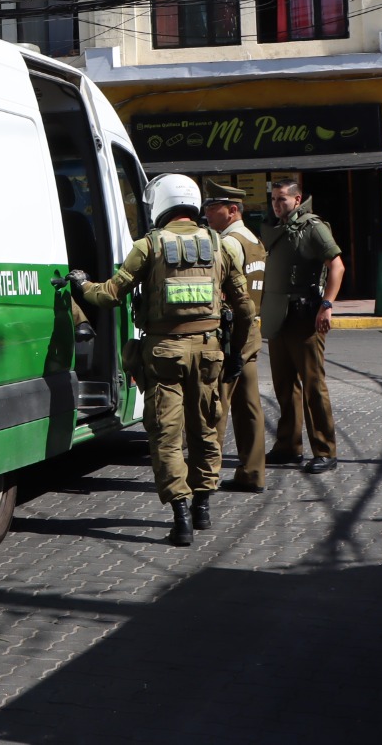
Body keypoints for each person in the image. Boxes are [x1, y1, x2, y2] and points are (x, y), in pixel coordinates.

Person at [70, 174, 254, 546]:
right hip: (209, 353)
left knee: (167, 436)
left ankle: (181, 517)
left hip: (164, 353)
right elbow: (246, 309)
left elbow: (108, 296)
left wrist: (80, 284)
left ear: (160, 205)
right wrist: (237, 355)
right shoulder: (220, 245)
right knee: (206, 430)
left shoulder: (148, 246)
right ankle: (203, 506)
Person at [261, 178, 345, 475]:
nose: (277, 204)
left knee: (312, 386)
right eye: (273, 199)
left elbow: (336, 265)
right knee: (284, 386)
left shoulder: (313, 226)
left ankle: (325, 450)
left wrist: (327, 304)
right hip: (278, 316)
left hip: (304, 314)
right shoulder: (277, 229)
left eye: (282, 199)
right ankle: (288, 447)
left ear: (297, 200)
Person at [202, 182, 267, 493]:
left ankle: (207, 476)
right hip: (251, 330)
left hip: (230, 335)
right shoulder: (254, 239)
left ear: (232, 210)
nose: (207, 213)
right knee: (249, 405)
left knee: (218, 405)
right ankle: (253, 472)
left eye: (213, 208)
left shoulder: (228, 244)